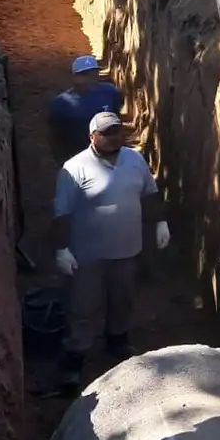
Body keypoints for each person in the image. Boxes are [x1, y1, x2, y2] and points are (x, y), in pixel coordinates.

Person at [52, 112, 169, 389]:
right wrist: (61, 249)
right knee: (83, 305)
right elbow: (60, 214)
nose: (114, 137)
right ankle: (76, 355)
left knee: (122, 298)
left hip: (127, 249)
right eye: (106, 133)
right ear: (92, 136)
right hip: (87, 255)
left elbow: (150, 194)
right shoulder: (74, 168)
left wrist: (160, 222)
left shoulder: (135, 159)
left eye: (117, 131)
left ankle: (117, 340)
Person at [47, 56, 124, 166]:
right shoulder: (61, 103)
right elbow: (54, 135)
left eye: (94, 73)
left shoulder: (110, 92)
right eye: (84, 74)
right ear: (74, 77)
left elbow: (117, 118)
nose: (90, 78)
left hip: (109, 155)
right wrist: (61, 161)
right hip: (77, 157)